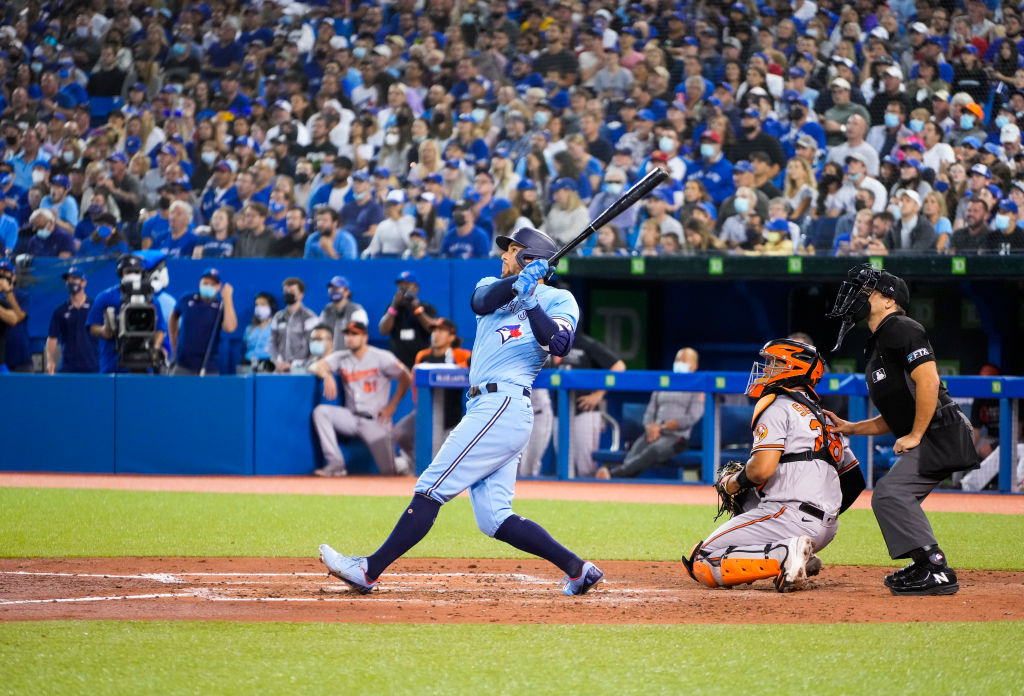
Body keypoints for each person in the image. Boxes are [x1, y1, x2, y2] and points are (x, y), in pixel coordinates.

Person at [318, 226, 605, 596]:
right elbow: (481, 302)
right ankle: (577, 569)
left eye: (512, 250)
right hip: (488, 406)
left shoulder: (560, 300)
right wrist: (521, 281)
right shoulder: (493, 284)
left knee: (431, 487)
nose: (503, 255)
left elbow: (560, 343)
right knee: (494, 519)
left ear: (532, 258)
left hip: (505, 402)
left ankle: (369, 570)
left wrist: (533, 300)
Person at [825, 265, 979, 596]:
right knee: (893, 496)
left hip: (943, 430)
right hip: (934, 430)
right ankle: (926, 563)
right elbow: (895, 415)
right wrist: (852, 427)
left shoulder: (901, 327)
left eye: (869, 291)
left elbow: (929, 381)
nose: (860, 296)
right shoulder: (879, 340)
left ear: (889, 301)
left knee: (891, 494)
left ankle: (935, 568)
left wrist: (915, 435)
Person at [681, 339, 865, 592]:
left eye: (774, 363)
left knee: (701, 559)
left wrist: (733, 483)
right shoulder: (824, 416)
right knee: (751, 499)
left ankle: (786, 554)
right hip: (826, 527)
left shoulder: (776, 405)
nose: (766, 369)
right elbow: (855, 481)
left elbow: (761, 470)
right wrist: (822, 514)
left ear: (793, 368)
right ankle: (799, 552)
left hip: (789, 516)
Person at [309, 320, 412, 477]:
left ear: (365, 337)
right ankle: (336, 464)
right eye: (348, 334)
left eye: (355, 334)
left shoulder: (381, 357)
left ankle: (404, 463)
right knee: (321, 412)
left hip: (375, 420)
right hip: (350, 417)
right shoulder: (341, 357)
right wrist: (327, 375)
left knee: (389, 471)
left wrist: (393, 405)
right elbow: (315, 366)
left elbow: (406, 376)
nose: (350, 338)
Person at [596, 348, 704, 479]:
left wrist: (662, 427)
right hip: (653, 433)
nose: (679, 363)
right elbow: (650, 411)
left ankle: (613, 475)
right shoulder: (664, 382)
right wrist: (649, 426)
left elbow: (691, 417)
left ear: (695, 365)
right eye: (678, 359)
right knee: (636, 448)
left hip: (677, 438)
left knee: (653, 450)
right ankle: (620, 480)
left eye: (684, 360)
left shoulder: (698, 388)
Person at [393, 317, 472, 468]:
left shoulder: (460, 354)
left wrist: (451, 370)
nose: (436, 334)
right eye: (434, 330)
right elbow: (416, 383)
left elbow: (471, 364)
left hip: (453, 413)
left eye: (441, 331)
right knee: (399, 433)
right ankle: (414, 461)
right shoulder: (422, 355)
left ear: (452, 336)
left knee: (447, 453)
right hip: (426, 411)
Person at [554, 331, 627, 478]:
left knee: (585, 467)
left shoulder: (585, 344)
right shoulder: (551, 344)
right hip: (559, 412)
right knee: (563, 465)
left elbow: (619, 366)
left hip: (585, 411)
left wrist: (598, 395)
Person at [86, 254, 168, 374]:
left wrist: (155, 349)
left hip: (145, 361)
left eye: (136, 271)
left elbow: (160, 330)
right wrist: (103, 331)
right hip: (113, 359)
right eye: (128, 271)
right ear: (120, 273)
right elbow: (92, 326)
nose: (133, 275)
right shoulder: (105, 297)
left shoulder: (151, 300)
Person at [168, 268, 238, 376]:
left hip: (208, 366)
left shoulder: (221, 307)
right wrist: (173, 341)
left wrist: (228, 299)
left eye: (213, 284)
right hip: (182, 364)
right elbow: (173, 316)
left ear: (219, 287)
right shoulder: (186, 299)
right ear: (200, 283)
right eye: (205, 283)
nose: (208, 286)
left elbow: (230, 327)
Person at [378, 270, 438, 369]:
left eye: (407, 285)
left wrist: (417, 310)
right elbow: (383, 331)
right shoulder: (392, 308)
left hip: (421, 362)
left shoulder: (427, 307)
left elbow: (433, 330)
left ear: (416, 288)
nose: (403, 288)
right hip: (397, 362)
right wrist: (394, 306)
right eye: (400, 286)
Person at [45, 265, 99, 374]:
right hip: (68, 366)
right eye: (68, 280)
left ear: (83, 282)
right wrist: (50, 360)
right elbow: (52, 338)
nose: (71, 282)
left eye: (74, 279)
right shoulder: (60, 311)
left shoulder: (95, 307)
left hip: (93, 364)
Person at [271, 277, 319, 373]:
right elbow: (272, 342)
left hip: (301, 368)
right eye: (285, 291)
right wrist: (276, 361)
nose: (288, 293)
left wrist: (293, 364)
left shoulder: (310, 317)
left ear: (301, 294)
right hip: (279, 367)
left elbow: (312, 345)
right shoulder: (278, 316)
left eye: (292, 291)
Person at [319, 276, 369, 350]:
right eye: (331, 288)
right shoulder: (326, 310)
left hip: (348, 356)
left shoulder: (357, 311)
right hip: (329, 356)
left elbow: (359, 337)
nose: (333, 290)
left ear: (347, 292)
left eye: (337, 288)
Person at [0, 260, 26, 374]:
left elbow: (17, 319)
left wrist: (8, 291)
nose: (2, 275)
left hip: (19, 355)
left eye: (6, 272)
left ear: (13, 277)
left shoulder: (22, 296)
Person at [241, 292, 277, 372]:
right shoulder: (249, 328)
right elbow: (246, 345)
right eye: (257, 305)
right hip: (248, 362)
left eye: (263, 304)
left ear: (271, 306)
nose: (259, 307)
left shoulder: (276, 327)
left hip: (269, 363)